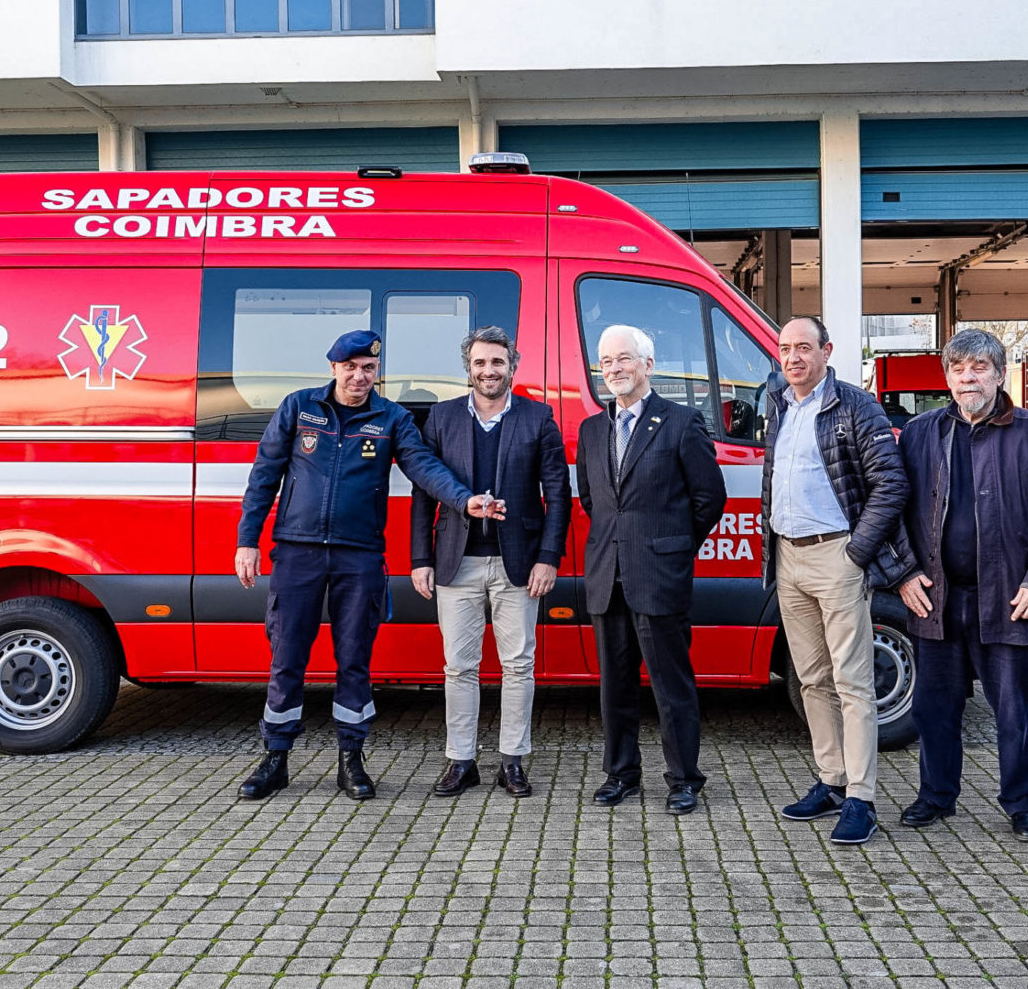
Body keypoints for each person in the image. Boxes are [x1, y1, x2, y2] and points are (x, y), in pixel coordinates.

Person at [233, 330, 503, 802]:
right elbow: (264, 476)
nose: (360, 377)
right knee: (287, 658)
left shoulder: (392, 418)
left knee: (355, 659)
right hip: (297, 552)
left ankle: (351, 760)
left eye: (369, 369)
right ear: (334, 368)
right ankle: (275, 759)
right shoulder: (299, 408)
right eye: (351, 367)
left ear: (378, 372)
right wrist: (247, 541)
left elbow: (424, 467)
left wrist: (464, 500)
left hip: (358, 556)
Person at [894, 330, 1028, 843]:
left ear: (1000, 374)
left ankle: (1023, 804)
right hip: (936, 596)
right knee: (934, 707)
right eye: (957, 368)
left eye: (978, 367)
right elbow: (895, 510)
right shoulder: (921, 433)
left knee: (1015, 709)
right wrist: (904, 573)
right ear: (946, 377)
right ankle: (936, 795)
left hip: (1011, 597)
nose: (967, 378)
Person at [760, 316, 912, 845]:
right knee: (811, 680)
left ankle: (861, 798)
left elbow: (890, 483)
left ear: (827, 351)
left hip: (837, 557)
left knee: (853, 683)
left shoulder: (856, 405)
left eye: (804, 347)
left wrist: (856, 553)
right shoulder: (778, 405)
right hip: (789, 557)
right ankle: (831, 781)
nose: (793, 357)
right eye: (785, 348)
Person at [410, 326, 569, 799]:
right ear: (468, 368)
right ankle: (461, 761)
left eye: (497, 362)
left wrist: (548, 558)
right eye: (479, 362)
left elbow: (558, 495)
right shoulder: (441, 418)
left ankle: (512, 761)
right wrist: (421, 558)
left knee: (518, 666)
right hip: (455, 563)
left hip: (518, 564)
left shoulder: (538, 417)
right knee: (458, 667)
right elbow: (423, 494)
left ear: (512, 366)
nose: (488, 371)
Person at [578, 324, 727, 815]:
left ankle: (684, 779)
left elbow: (709, 498)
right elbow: (593, 500)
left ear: (648, 364)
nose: (614, 368)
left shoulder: (681, 422)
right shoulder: (592, 430)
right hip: (608, 576)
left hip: (659, 576)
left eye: (623, 358)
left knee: (671, 687)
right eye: (606, 361)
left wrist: (673, 549)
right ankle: (621, 773)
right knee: (614, 686)